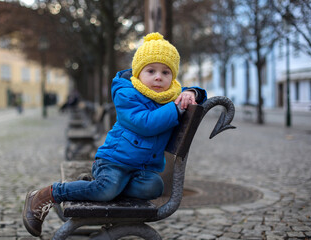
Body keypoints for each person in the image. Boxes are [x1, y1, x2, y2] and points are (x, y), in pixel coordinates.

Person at [22, 32, 207, 237]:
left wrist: (193, 93)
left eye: (166, 72)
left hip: (140, 169)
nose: (158, 77)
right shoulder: (126, 94)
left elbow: (186, 91)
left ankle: (96, 185)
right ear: (138, 73)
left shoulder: (169, 96)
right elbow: (144, 123)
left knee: (154, 187)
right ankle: (46, 195)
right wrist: (175, 109)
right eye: (151, 70)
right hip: (115, 160)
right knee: (107, 190)